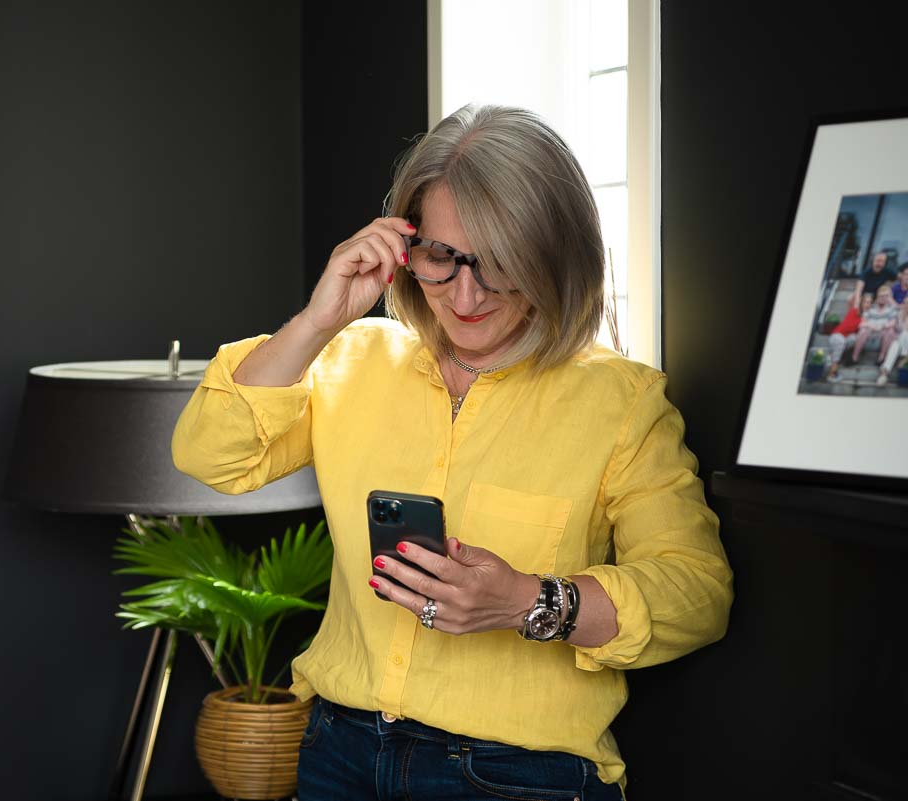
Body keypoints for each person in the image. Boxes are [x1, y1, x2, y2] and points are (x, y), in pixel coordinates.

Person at [171, 105, 733, 800]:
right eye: (442, 258)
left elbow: (698, 595)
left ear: (554, 256)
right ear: (406, 247)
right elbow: (210, 453)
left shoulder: (620, 402)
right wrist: (318, 319)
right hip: (337, 752)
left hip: (516, 775)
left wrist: (528, 602)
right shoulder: (349, 360)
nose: (466, 296)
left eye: (499, 264)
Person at [826, 293, 872, 381]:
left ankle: (833, 356)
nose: (867, 304)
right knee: (840, 341)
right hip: (836, 335)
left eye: (869, 303)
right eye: (866, 302)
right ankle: (832, 373)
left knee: (854, 338)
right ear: (861, 303)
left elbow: (866, 327)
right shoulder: (854, 310)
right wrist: (857, 294)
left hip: (846, 338)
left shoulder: (866, 317)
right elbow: (850, 298)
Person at [850, 283, 900, 366]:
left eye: (886, 296)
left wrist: (882, 326)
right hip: (870, 332)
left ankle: (881, 357)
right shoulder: (871, 307)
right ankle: (854, 357)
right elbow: (863, 322)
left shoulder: (891, 309)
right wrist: (871, 326)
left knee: (890, 331)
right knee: (863, 330)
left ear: (889, 297)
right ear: (877, 296)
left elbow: (893, 322)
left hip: (883, 333)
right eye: (881, 296)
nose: (883, 298)